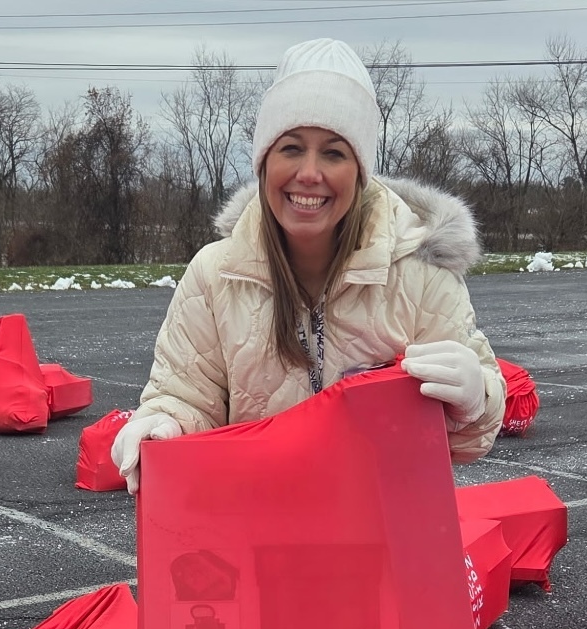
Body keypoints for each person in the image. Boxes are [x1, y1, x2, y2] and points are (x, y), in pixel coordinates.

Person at [111, 37, 505, 494]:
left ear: (360, 171)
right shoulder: (214, 275)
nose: (310, 173)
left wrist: (476, 399)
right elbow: (184, 398)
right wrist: (162, 424)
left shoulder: (421, 276)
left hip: (382, 539)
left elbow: (469, 440)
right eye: (292, 148)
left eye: (334, 152)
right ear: (264, 161)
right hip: (257, 531)